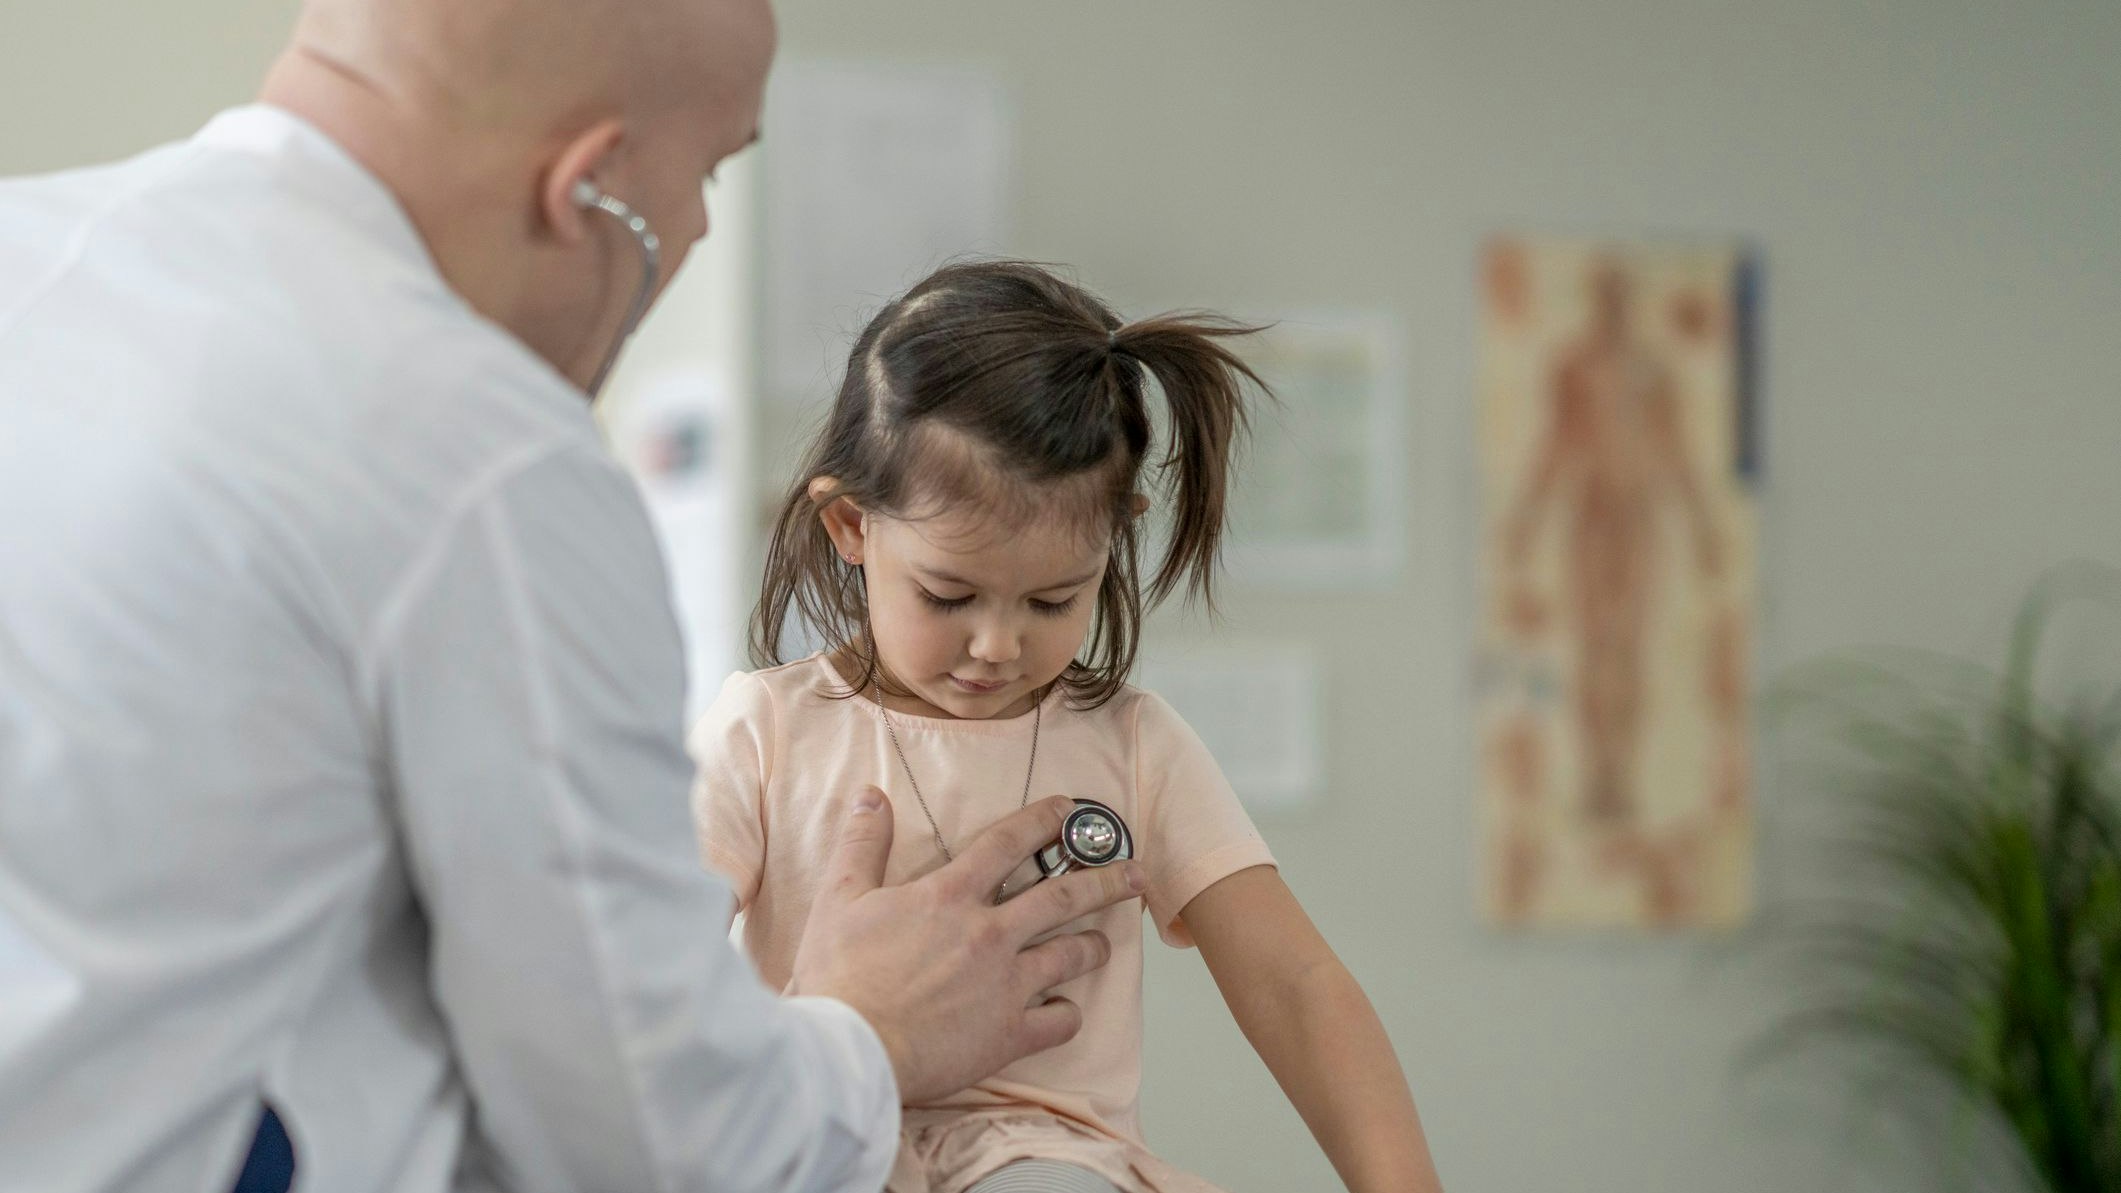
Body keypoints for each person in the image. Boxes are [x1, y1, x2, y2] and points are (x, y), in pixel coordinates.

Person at [0, 1, 1141, 1190]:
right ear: (588, 185)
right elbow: (652, 1140)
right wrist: (873, 1029)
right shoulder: (476, 454)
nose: (697, 225)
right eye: (703, 173)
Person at [692, 261, 1444, 1193]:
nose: (996, 645)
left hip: (1046, 1164)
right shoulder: (762, 730)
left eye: (1054, 598)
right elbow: (644, 984)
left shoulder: (1133, 742)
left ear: (1113, 539)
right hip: (824, 1144)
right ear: (851, 524)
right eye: (948, 594)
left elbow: (1292, 984)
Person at [1499, 258, 1725, 822]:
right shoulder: (1574, 365)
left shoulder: (1653, 370)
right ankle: (1596, 774)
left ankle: (1622, 774)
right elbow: (1556, 443)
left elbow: (1675, 449)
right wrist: (1527, 520)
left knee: (1629, 647)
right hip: (1591, 516)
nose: (1614, 305)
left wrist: (1703, 527)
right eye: (1605, 294)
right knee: (1592, 649)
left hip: (1639, 517)